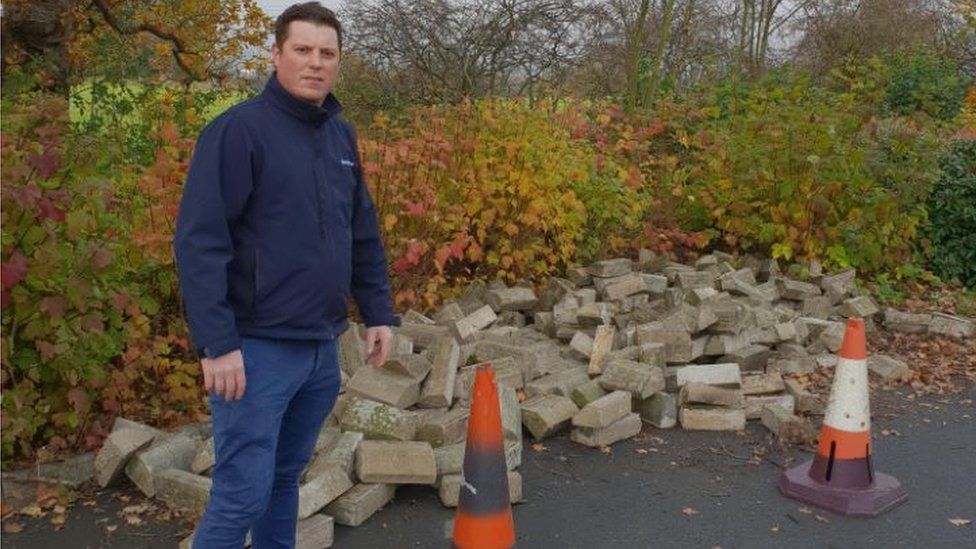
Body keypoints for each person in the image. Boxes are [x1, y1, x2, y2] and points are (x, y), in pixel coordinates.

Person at [173, 3, 399, 547]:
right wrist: (217, 344)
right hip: (255, 353)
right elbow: (200, 243)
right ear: (276, 55)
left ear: (339, 63)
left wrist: (378, 313)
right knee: (241, 494)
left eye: (328, 53)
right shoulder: (238, 132)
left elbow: (360, 231)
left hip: (321, 348)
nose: (315, 63)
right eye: (302, 50)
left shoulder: (340, 138)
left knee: (282, 480)